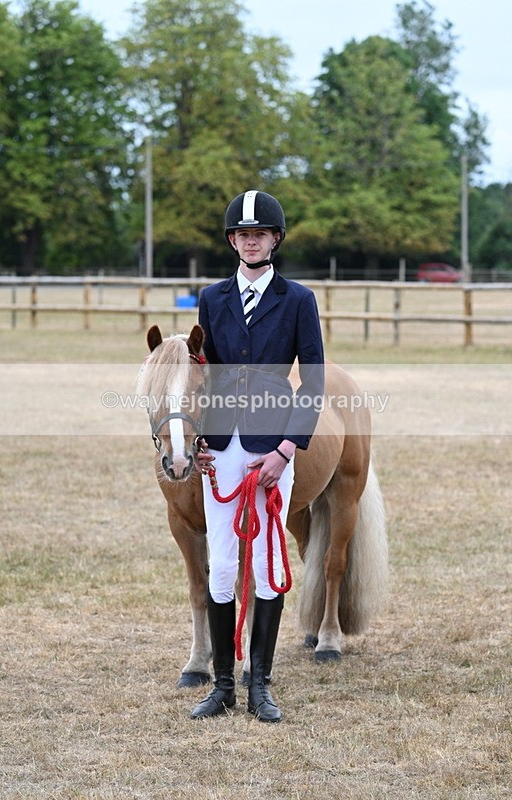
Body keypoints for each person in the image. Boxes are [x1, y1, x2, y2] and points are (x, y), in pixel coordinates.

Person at [192, 190, 324, 722]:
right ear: (233, 241)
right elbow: (202, 374)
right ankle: (223, 684)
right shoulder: (210, 296)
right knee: (222, 564)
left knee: (268, 567)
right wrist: (199, 437)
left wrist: (287, 450)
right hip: (222, 443)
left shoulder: (298, 300)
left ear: (274, 240)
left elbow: (312, 382)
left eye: (259, 233)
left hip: (272, 446)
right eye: (242, 234)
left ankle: (260, 686)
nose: (250, 240)